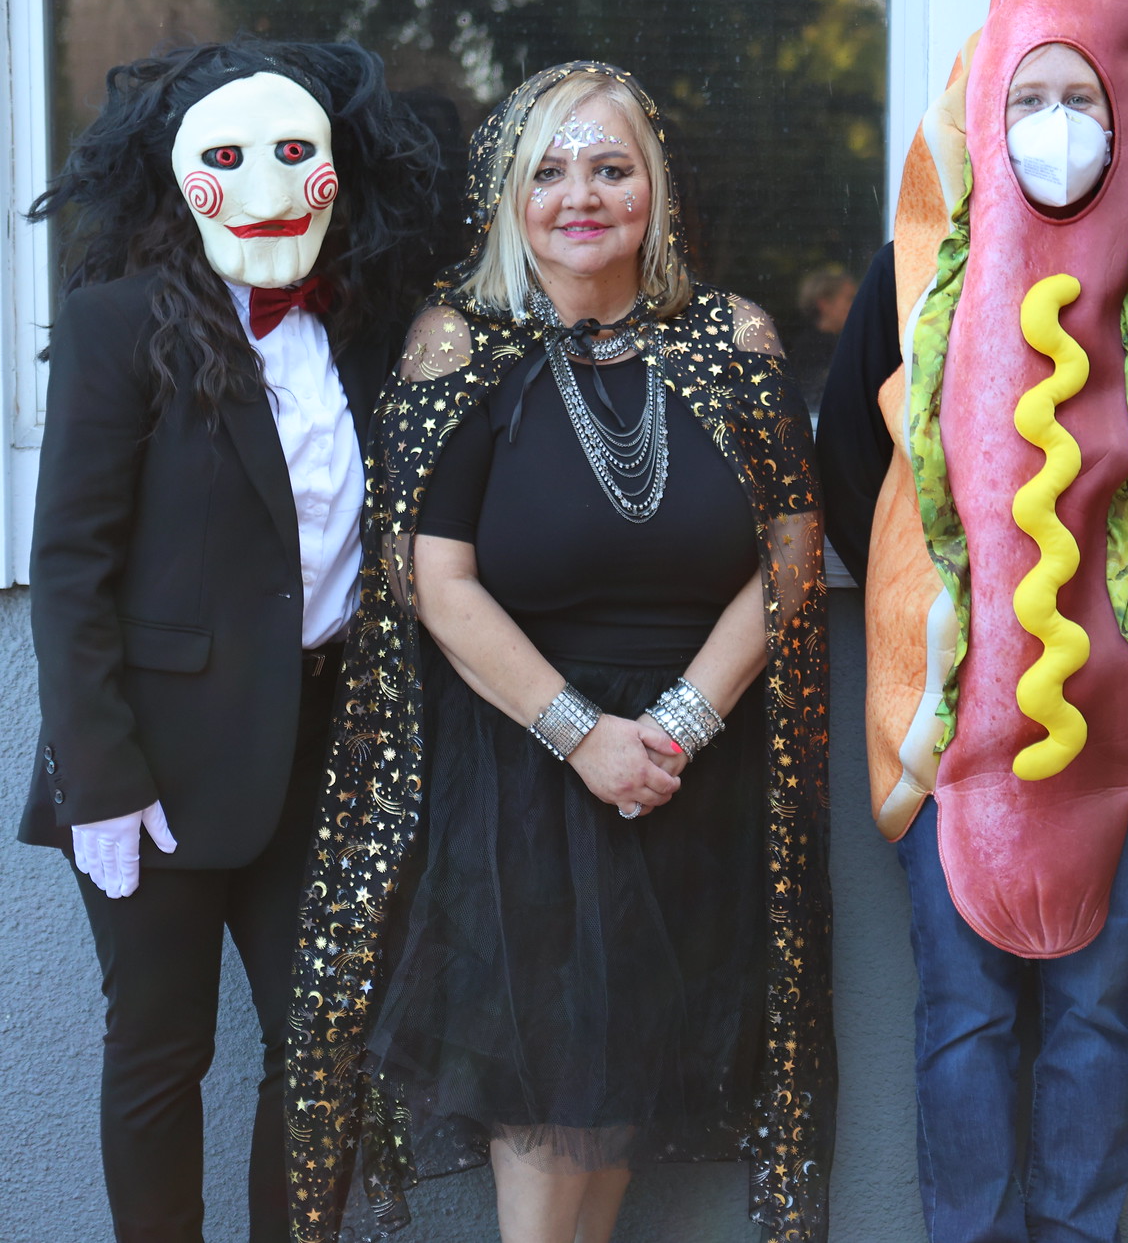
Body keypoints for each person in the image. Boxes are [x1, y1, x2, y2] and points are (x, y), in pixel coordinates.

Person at [283, 62, 833, 1243]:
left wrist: (678, 725)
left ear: (655, 187)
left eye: (609, 166)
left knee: (618, 1101)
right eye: (547, 170)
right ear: (506, 196)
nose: (579, 194)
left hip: (688, 771)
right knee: (543, 1111)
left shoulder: (732, 343)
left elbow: (790, 552)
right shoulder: (457, 349)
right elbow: (432, 579)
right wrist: (584, 738)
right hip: (523, 775)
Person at [817, 0, 1128, 1242]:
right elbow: (849, 459)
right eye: (1031, 99)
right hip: (953, 723)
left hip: (1127, 726)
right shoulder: (914, 280)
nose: (1058, 127)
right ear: (980, 109)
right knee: (962, 1022)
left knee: (1099, 1022)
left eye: (1084, 100)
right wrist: (931, 607)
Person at [17, 40, 437, 1243]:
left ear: (337, 173)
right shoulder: (117, 326)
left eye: (295, 154)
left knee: (322, 1050)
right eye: (231, 158)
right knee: (161, 1049)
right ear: (175, 176)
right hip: (152, 767)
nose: (264, 184)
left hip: (321, 756)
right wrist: (102, 779)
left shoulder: (369, 333)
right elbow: (70, 570)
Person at [789, 264, 857, 410]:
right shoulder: (810, 348)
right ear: (824, 303)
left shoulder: (845, 341)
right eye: (849, 298)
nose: (856, 305)